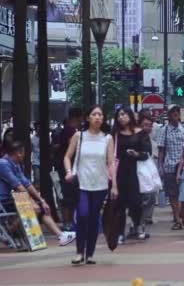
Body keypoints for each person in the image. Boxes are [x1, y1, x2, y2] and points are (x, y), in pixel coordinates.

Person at [64, 105, 117, 264]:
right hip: (82, 184)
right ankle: (80, 252)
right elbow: (67, 156)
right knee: (83, 214)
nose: (97, 117)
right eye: (94, 114)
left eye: (100, 114)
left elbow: (111, 163)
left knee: (94, 218)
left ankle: (90, 254)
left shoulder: (107, 138)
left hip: (100, 185)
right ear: (88, 118)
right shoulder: (78, 136)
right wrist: (68, 172)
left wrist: (114, 185)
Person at [0, 141, 76, 246]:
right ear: (19, 154)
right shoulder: (3, 164)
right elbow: (17, 185)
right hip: (2, 201)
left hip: (9, 199)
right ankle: (10, 231)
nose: (25, 156)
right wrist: (30, 201)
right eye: (24, 153)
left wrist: (41, 200)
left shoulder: (16, 164)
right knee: (33, 208)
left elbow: (27, 184)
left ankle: (61, 236)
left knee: (42, 207)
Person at [112, 106, 151, 242]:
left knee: (136, 202)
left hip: (136, 172)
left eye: (123, 114)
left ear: (130, 115)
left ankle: (138, 226)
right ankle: (120, 232)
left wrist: (137, 154)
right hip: (119, 172)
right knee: (119, 204)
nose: (121, 117)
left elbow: (147, 153)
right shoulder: (115, 134)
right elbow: (111, 154)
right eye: (118, 115)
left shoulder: (140, 133)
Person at [158, 105, 184, 230]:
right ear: (169, 114)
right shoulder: (164, 130)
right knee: (173, 195)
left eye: (177, 111)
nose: (176, 113)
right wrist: (160, 167)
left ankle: (183, 216)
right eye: (173, 112)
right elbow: (161, 151)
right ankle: (177, 219)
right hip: (170, 166)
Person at [56, 107, 83, 231]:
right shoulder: (70, 131)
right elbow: (71, 148)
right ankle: (67, 221)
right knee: (68, 195)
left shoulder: (70, 130)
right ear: (78, 117)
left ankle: (70, 221)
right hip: (68, 168)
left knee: (71, 195)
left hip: (69, 167)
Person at [138, 112, 157, 231]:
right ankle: (140, 220)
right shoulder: (137, 137)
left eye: (150, 125)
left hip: (148, 168)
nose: (147, 128)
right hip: (138, 169)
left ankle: (145, 218)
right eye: (145, 125)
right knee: (144, 195)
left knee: (150, 193)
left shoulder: (148, 138)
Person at [31, 122, 41, 188]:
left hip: (44, 161)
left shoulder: (47, 138)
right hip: (35, 161)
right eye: (38, 128)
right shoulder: (33, 139)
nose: (39, 129)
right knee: (36, 177)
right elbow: (30, 149)